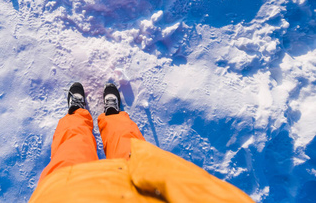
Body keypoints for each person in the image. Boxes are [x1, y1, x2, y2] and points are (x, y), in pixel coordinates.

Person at [29, 82, 254, 203]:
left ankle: (78, 113)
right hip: (166, 189)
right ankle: (112, 116)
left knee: (71, 148)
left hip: (67, 194)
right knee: (129, 147)